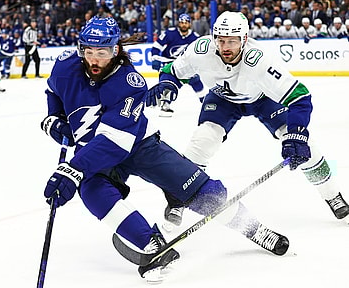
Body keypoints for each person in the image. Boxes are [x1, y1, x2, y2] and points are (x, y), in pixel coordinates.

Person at [40, 16, 290, 283]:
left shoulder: (129, 83)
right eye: (88, 52)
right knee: (91, 190)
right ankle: (151, 244)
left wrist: (74, 169)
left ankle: (254, 229)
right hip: (93, 152)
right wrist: (53, 118)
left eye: (102, 52)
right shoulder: (65, 67)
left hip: (138, 146)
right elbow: (53, 92)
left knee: (203, 192)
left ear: (115, 50)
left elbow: (115, 141)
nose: (94, 59)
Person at [145, 11, 349, 230]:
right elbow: (172, 71)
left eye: (232, 41)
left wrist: (297, 133)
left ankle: (332, 195)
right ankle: (178, 199)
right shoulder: (200, 50)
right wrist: (168, 84)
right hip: (222, 100)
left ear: (244, 39)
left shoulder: (259, 60)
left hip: (262, 98)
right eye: (221, 40)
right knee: (203, 141)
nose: (225, 47)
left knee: (308, 149)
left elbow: (300, 96)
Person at [151, 13, 200, 117]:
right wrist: (155, 58)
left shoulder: (195, 38)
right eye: (182, 22)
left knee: (198, 85)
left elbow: (199, 55)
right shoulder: (170, 33)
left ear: (190, 24)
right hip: (169, 64)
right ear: (178, 23)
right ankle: (165, 104)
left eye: (186, 23)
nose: (183, 25)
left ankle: (207, 104)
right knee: (168, 83)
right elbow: (156, 47)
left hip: (185, 66)